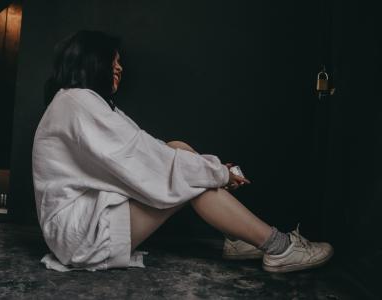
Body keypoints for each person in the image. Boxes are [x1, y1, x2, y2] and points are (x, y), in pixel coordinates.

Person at [33, 30, 333, 272]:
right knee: (190, 178)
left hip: (81, 225)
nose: (120, 68)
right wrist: (216, 173)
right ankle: (278, 247)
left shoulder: (76, 102)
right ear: (93, 60)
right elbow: (144, 158)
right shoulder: (77, 103)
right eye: (114, 60)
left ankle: (237, 237)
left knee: (178, 155)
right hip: (82, 236)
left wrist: (207, 169)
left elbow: (149, 151)